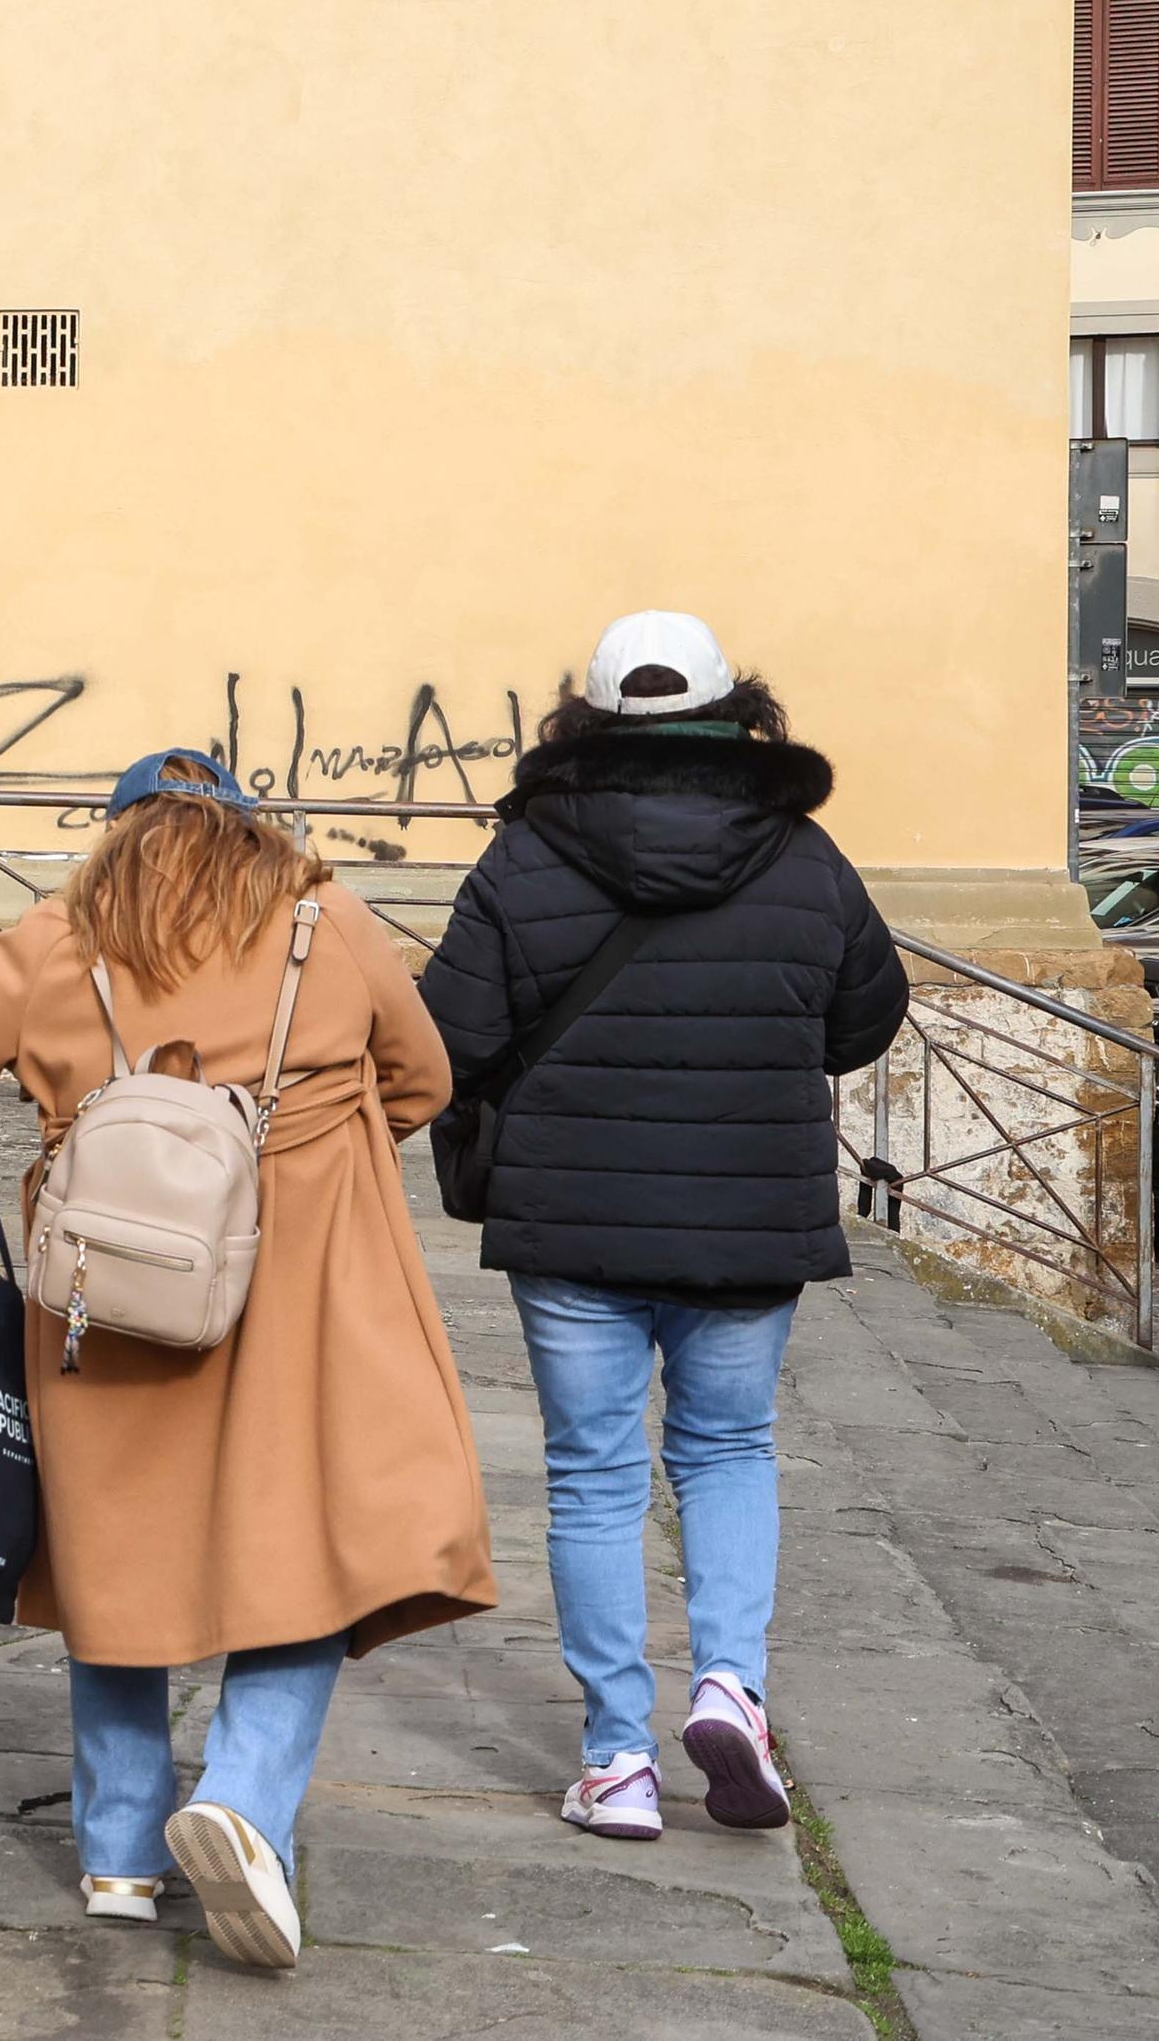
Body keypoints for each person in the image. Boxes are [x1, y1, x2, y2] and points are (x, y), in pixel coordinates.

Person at [0, 752, 495, 1972]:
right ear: (244, 830)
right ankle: (244, 1799)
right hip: (306, 1285)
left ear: (115, 839)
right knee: (309, 1536)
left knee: (117, 1544)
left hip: (112, 1294)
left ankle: (118, 1850)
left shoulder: (57, 935)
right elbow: (424, 1078)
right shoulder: (330, 919)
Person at [421, 612, 903, 1842]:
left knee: (592, 1475)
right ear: (732, 708)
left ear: (585, 718)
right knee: (728, 1449)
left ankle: (617, 1759)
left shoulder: (521, 857)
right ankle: (730, 1687)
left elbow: (453, 1040)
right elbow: (862, 1021)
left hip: (571, 1216)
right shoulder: (805, 856)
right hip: (748, 1212)